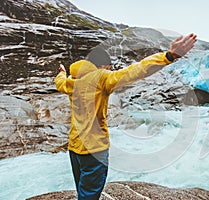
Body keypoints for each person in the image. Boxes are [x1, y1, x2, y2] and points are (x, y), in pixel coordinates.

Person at [54, 33, 197, 200]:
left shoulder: (71, 82)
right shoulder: (101, 77)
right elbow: (135, 71)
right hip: (94, 149)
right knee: (90, 195)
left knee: (83, 191)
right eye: (108, 68)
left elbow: (60, 82)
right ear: (103, 67)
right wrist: (168, 56)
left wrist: (62, 73)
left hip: (74, 148)